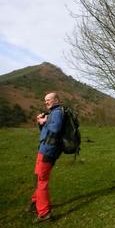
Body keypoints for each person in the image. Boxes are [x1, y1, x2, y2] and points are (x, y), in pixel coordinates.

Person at [26, 92, 64, 223]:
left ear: (56, 100)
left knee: (42, 180)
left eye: (49, 100)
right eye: (45, 100)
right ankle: (35, 202)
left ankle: (44, 212)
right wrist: (41, 122)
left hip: (49, 151)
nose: (46, 102)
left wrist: (45, 121)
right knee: (38, 176)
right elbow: (45, 132)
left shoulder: (58, 112)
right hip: (43, 149)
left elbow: (56, 129)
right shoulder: (52, 113)